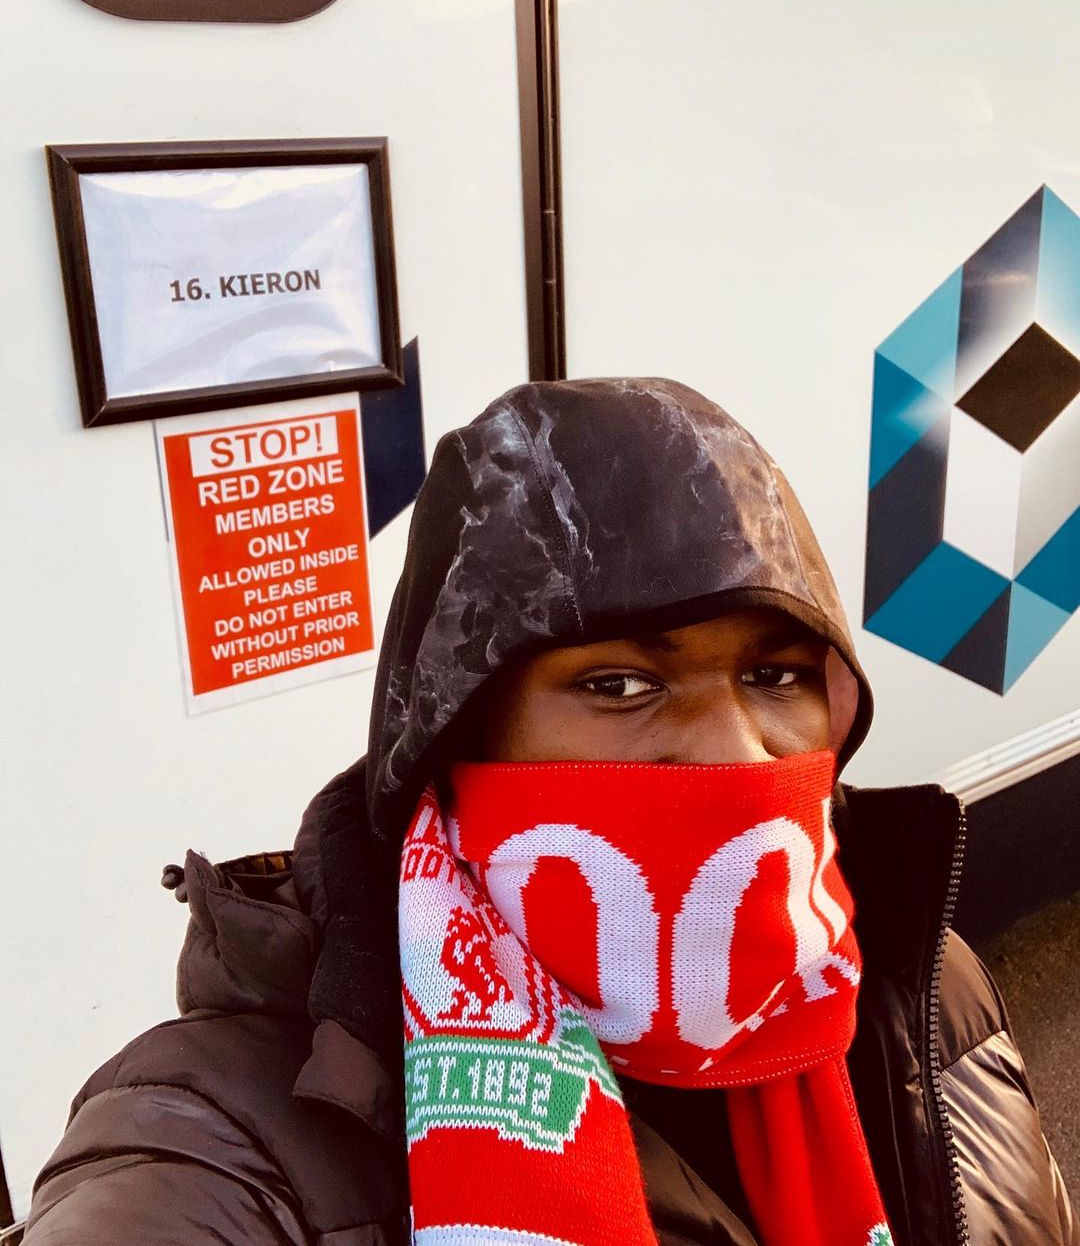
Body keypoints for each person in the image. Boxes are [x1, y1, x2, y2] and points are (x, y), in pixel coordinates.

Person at [22, 378, 1075, 1245]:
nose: (735, 753)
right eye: (620, 685)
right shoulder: (225, 1132)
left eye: (776, 675)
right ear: (459, 736)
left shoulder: (913, 981)